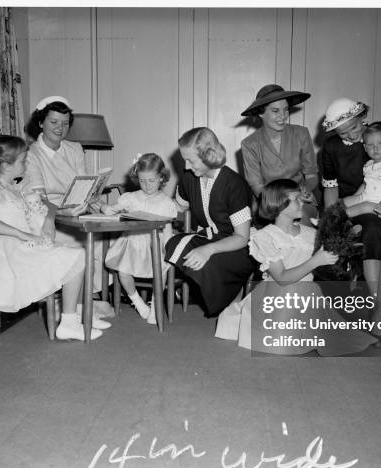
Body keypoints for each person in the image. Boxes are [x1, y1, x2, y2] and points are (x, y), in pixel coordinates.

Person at [215, 179, 377, 355]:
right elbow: (282, 279)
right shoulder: (264, 237)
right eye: (296, 199)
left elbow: (325, 263)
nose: (303, 202)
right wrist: (316, 260)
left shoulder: (310, 233)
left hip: (308, 294)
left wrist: (339, 245)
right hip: (277, 295)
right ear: (279, 204)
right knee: (283, 340)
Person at [0, 135, 104, 341]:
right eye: (23, 160)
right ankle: (69, 323)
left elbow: (48, 205)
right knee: (77, 255)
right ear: (7, 165)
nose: (26, 163)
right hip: (12, 251)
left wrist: (49, 221)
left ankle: (75, 317)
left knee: (80, 254)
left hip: (29, 245)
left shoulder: (17, 187)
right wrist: (21, 234)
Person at [321, 98, 381, 346]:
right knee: (373, 229)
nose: (354, 136)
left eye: (355, 128)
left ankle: (379, 315)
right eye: (344, 132)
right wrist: (337, 214)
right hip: (359, 206)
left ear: (362, 118)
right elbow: (333, 193)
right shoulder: (331, 148)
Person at [22, 95, 111, 325]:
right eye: (53, 122)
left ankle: (83, 306)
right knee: (81, 244)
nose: (60, 128)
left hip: (78, 210)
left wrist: (99, 204)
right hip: (51, 214)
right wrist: (64, 213)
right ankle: (77, 309)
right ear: (40, 123)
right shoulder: (31, 155)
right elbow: (40, 199)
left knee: (102, 240)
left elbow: (85, 183)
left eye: (64, 123)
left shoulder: (74, 148)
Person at [164, 127, 257, 318]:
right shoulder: (189, 178)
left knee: (206, 261)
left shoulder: (234, 184)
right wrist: (146, 201)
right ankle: (188, 289)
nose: (187, 166)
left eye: (191, 160)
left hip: (235, 246)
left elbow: (241, 237)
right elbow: (177, 207)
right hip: (206, 237)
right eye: (185, 160)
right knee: (172, 243)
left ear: (209, 155)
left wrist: (208, 250)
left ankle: (215, 295)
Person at [101, 153, 177, 324]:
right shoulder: (131, 198)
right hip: (132, 244)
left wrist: (168, 250)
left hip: (155, 246)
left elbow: (167, 229)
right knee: (122, 270)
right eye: (142, 181)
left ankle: (156, 304)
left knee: (162, 269)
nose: (147, 186)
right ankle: (137, 301)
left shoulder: (166, 203)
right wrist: (106, 208)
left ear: (161, 178)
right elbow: (113, 209)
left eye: (151, 181)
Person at [240, 84, 318, 202]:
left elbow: (311, 176)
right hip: (268, 203)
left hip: (301, 199)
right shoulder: (249, 144)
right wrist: (282, 203)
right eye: (275, 111)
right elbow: (257, 187)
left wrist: (303, 192)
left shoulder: (301, 133)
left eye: (286, 109)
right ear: (261, 113)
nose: (283, 115)